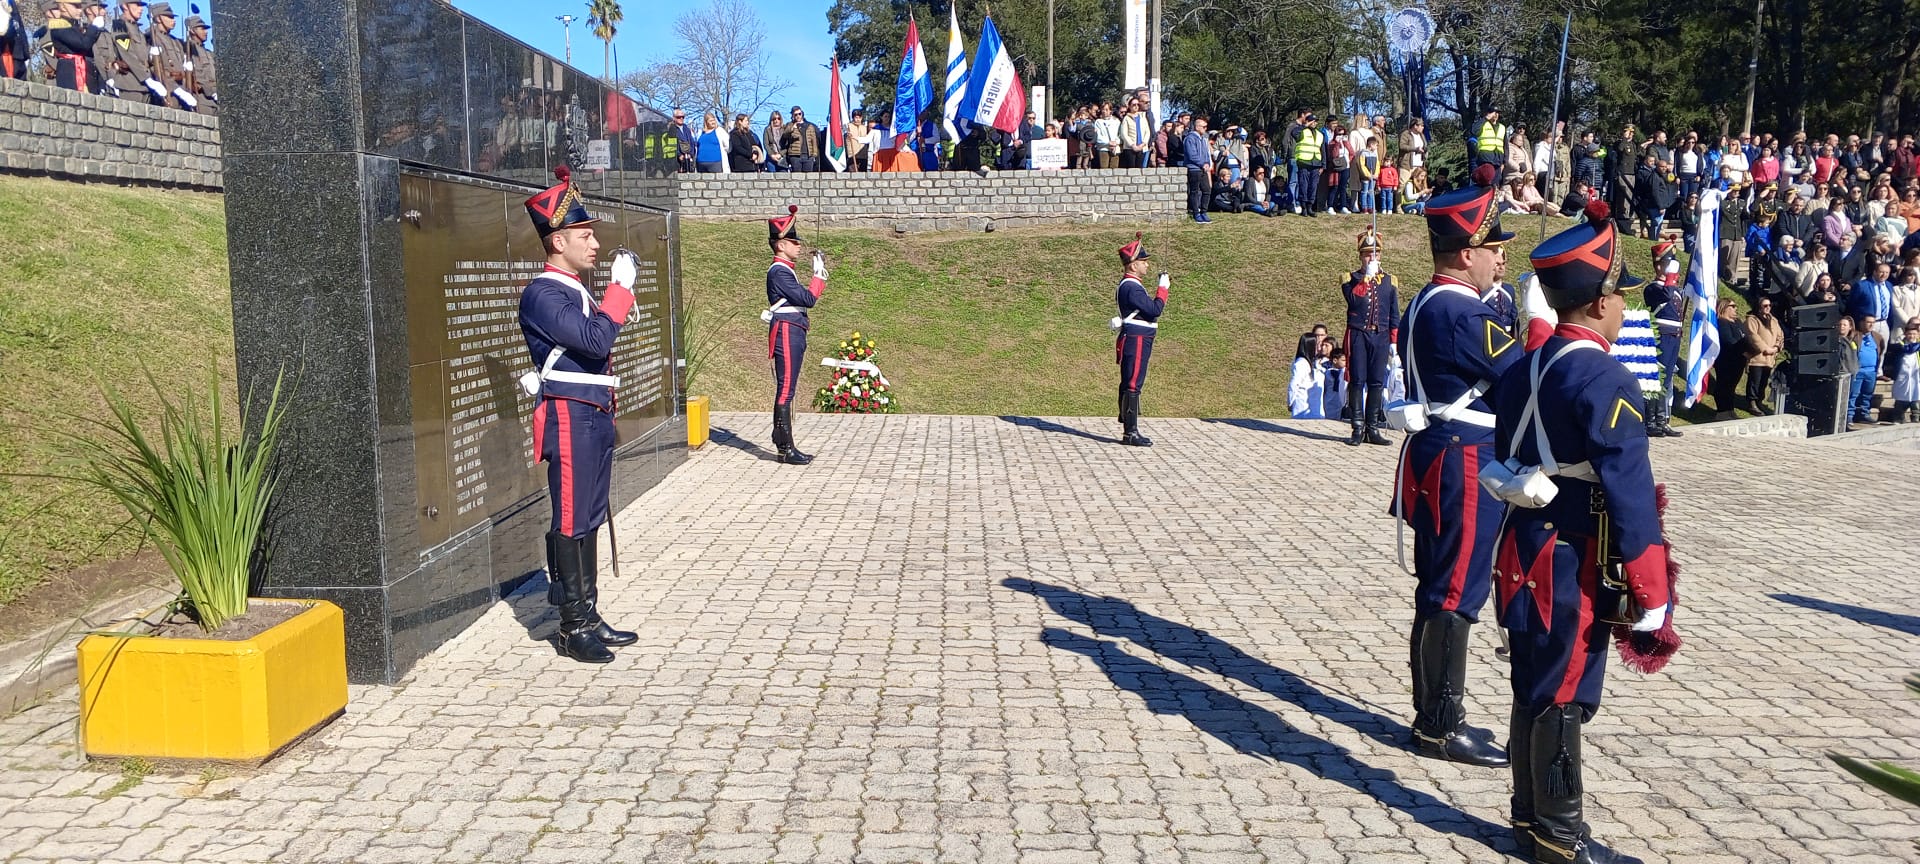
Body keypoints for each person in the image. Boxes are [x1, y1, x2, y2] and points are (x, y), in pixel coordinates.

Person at [1488, 211, 1678, 864]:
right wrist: (1653, 591)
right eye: (1620, 295)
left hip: (1520, 546)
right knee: (1564, 690)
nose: (1624, 306)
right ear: (1600, 303)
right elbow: (1630, 491)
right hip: (1571, 557)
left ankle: (1527, 817)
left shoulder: (1523, 369)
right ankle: (1558, 837)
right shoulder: (1605, 378)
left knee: (1531, 682)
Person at [1391, 163, 1520, 769]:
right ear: (1467, 253)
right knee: (1456, 589)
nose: (1500, 258)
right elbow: (1518, 376)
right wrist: (1538, 327)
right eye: (1493, 248)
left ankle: (1432, 714)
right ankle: (1441, 724)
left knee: (1439, 585)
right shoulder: (1463, 312)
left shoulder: (1429, 300)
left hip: (1440, 449)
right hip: (1466, 456)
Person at [516, 166, 641, 665]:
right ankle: (571, 626)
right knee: (571, 515)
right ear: (558, 240)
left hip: (593, 413)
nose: (595, 244)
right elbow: (594, 340)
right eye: (585, 236)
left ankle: (588, 612)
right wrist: (620, 291)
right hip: (568, 415)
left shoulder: (574, 290)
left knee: (589, 512)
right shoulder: (543, 293)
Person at [764, 206, 827, 465]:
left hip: (794, 329)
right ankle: (785, 446)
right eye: (793, 241)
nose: (798, 245)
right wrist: (818, 275)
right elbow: (808, 299)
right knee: (786, 388)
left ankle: (782, 438)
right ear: (780, 245)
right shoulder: (779, 271)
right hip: (787, 330)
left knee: (788, 387)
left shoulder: (786, 270)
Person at [1342, 230, 1400, 446]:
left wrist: (1394, 342)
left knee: (1376, 382)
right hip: (1358, 333)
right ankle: (1357, 427)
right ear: (1360, 256)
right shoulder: (1350, 279)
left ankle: (1372, 427)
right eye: (1367, 254)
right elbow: (1354, 300)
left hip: (1380, 335)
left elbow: (1394, 313)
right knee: (1357, 380)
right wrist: (1366, 277)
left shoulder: (1390, 281)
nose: (1371, 258)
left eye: (1375, 254)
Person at [1113, 234, 1168, 446]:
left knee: (1132, 380)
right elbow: (1155, 309)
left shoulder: (1132, 285)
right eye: (1143, 261)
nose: (1147, 265)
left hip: (1139, 336)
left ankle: (1128, 422)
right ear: (1133, 265)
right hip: (1136, 337)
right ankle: (1130, 432)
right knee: (1133, 382)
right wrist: (1163, 289)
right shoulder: (1131, 287)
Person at [1644, 241, 1685, 437]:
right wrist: (1670, 278)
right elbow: (1665, 297)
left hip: (1674, 337)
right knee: (1656, 379)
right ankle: (1650, 421)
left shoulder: (1672, 288)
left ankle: (1662, 420)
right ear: (1658, 265)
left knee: (1666, 380)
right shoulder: (1653, 288)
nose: (1671, 267)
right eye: (1667, 263)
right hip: (1661, 336)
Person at [1743, 297, 1785, 411]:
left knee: (1763, 382)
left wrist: (1776, 348)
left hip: (1769, 359)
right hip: (1756, 358)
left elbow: (1780, 335)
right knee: (1754, 381)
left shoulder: (1773, 320)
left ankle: (1759, 401)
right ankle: (1751, 402)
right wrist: (1765, 349)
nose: (1768, 308)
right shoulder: (1752, 320)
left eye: (1769, 305)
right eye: (1765, 305)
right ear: (1759, 307)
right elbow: (1753, 337)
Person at [1289, 338, 1331, 419]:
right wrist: (1290, 402)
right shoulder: (1301, 363)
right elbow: (1294, 384)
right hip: (1302, 408)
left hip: (1316, 410)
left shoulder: (1316, 362)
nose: (1320, 348)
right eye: (1317, 345)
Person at [1292, 113, 1323, 216]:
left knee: (1313, 186)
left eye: (1315, 121)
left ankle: (1310, 207)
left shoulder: (1319, 134)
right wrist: (1305, 125)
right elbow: (1294, 133)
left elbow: (1322, 149)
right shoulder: (1302, 131)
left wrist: (1323, 165)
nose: (1314, 123)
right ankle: (1304, 207)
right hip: (1304, 162)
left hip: (1316, 162)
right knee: (1303, 185)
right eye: (1311, 121)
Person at [181, 13, 214, 110]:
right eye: (202, 29)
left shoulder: (208, 53)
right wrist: (211, 91)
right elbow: (198, 74)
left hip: (215, 98)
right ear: (192, 30)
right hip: (202, 98)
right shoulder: (188, 49)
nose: (206, 32)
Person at [1182, 117, 1212, 224]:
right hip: (1194, 169)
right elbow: (1192, 155)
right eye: (1204, 126)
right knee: (1194, 191)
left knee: (1207, 190)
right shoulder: (1190, 139)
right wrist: (1202, 163)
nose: (1205, 128)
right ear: (1197, 127)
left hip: (1203, 169)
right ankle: (1196, 213)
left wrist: (1207, 163)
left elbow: (1206, 153)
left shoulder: (1203, 139)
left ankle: (1204, 211)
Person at [1890, 320, 1920, 422]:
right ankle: (1898, 417)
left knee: (1916, 396)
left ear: (1918, 334)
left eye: (1914, 334)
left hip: (1916, 377)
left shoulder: (1918, 346)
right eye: (1909, 334)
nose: (1912, 336)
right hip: (1902, 376)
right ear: (1905, 334)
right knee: (1901, 396)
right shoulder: (1900, 347)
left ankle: (1916, 416)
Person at [782, 106, 820, 173]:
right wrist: (792, 128)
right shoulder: (789, 125)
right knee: (797, 177)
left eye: (799, 114)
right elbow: (785, 135)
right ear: (792, 116)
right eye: (795, 114)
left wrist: (814, 154)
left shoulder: (809, 126)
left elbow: (814, 141)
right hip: (795, 156)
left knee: (808, 177)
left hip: (808, 156)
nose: (798, 116)